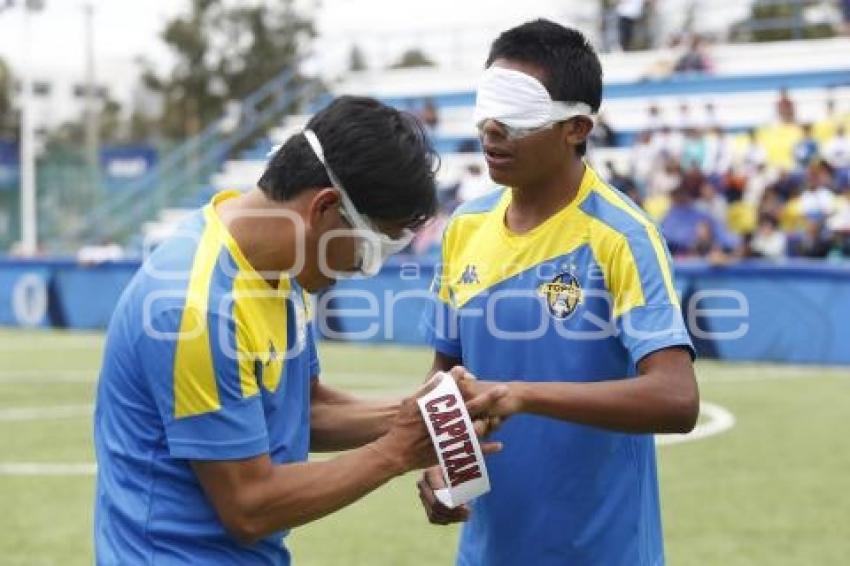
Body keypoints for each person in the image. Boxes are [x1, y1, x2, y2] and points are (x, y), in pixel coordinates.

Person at [92, 96, 506, 564]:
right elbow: (248, 506)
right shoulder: (193, 308)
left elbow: (307, 410)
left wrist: (432, 414)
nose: (365, 271)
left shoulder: (281, 273)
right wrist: (397, 450)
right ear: (325, 208)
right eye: (371, 249)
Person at [417, 20, 699, 566]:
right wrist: (440, 459)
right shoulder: (464, 228)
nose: (491, 129)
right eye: (487, 107)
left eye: (515, 113)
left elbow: (677, 398)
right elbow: (445, 379)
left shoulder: (624, 236)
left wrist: (523, 394)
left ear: (575, 126)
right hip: (486, 553)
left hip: (603, 551)